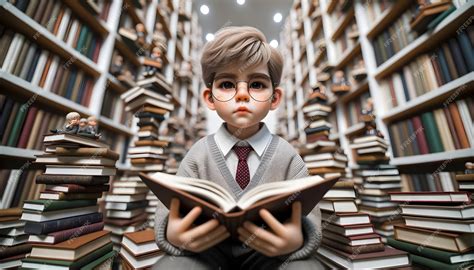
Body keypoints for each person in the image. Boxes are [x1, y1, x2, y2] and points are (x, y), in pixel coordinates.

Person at [153, 26, 324, 270]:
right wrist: (173, 233)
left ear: (274, 98)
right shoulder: (198, 154)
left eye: (256, 84)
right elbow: (170, 204)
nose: (242, 94)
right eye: (226, 85)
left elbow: (310, 212)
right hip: (205, 252)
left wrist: (299, 239)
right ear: (209, 98)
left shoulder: (287, 156)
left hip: (270, 255)